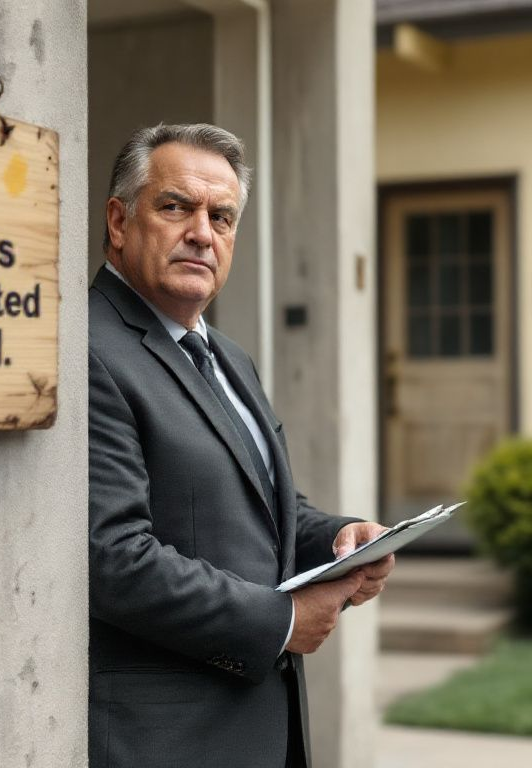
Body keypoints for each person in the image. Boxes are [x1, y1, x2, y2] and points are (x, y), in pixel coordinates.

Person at [88, 123, 394, 768]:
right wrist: (281, 623)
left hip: (263, 727)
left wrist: (339, 538)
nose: (202, 232)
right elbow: (112, 558)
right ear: (119, 222)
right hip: (165, 739)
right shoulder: (88, 349)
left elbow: (260, 508)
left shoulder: (229, 357)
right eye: (176, 207)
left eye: (222, 217)